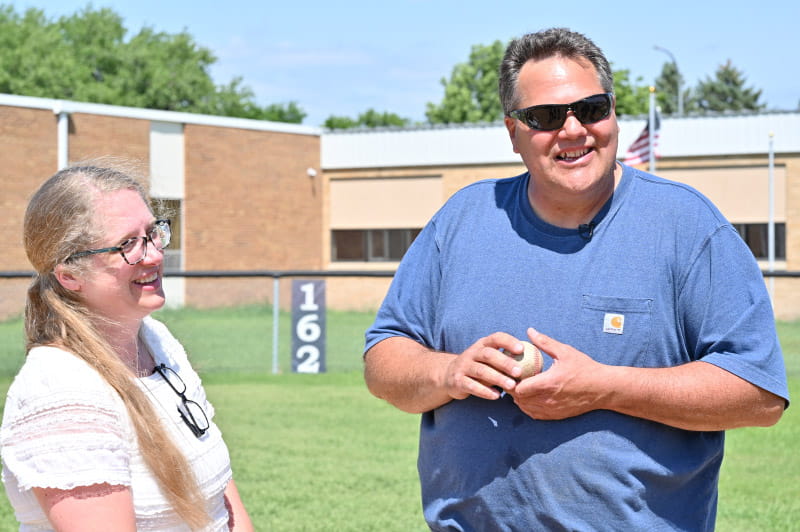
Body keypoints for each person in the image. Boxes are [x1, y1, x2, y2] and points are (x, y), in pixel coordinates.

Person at [364, 27, 789, 531]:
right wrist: (447, 373)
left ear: (613, 113)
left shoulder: (685, 225)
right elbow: (383, 358)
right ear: (513, 132)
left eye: (590, 109)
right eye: (545, 117)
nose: (572, 130)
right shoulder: (464, 219)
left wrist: (604, 387)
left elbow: (758, 393)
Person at [0, 163, 254, 531]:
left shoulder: (158, 340)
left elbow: (220, 494)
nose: (153, 255)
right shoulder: (60, 392)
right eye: (127, 245)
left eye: (153, 234)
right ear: (69, 274)